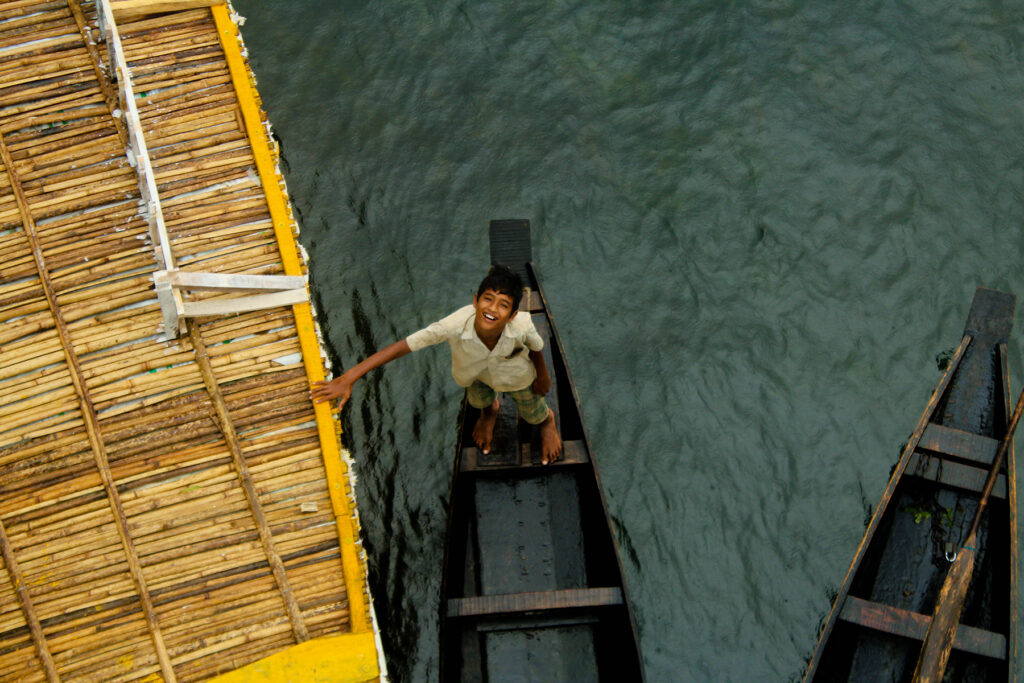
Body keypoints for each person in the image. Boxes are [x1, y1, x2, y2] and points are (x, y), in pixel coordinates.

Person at [311, 265, 563, 463]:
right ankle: (489, 411)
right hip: (474, 376)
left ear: (512, 315)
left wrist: (543, 376)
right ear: (476, 300)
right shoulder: (452, 325)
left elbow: (536, 347)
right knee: (479, 401)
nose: (492, 309)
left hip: (515, 377)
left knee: (532, 411)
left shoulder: (522, 325)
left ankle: (546, 421)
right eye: (488, 299)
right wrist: (349, 377)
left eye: (504, 305)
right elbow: (404, 345)